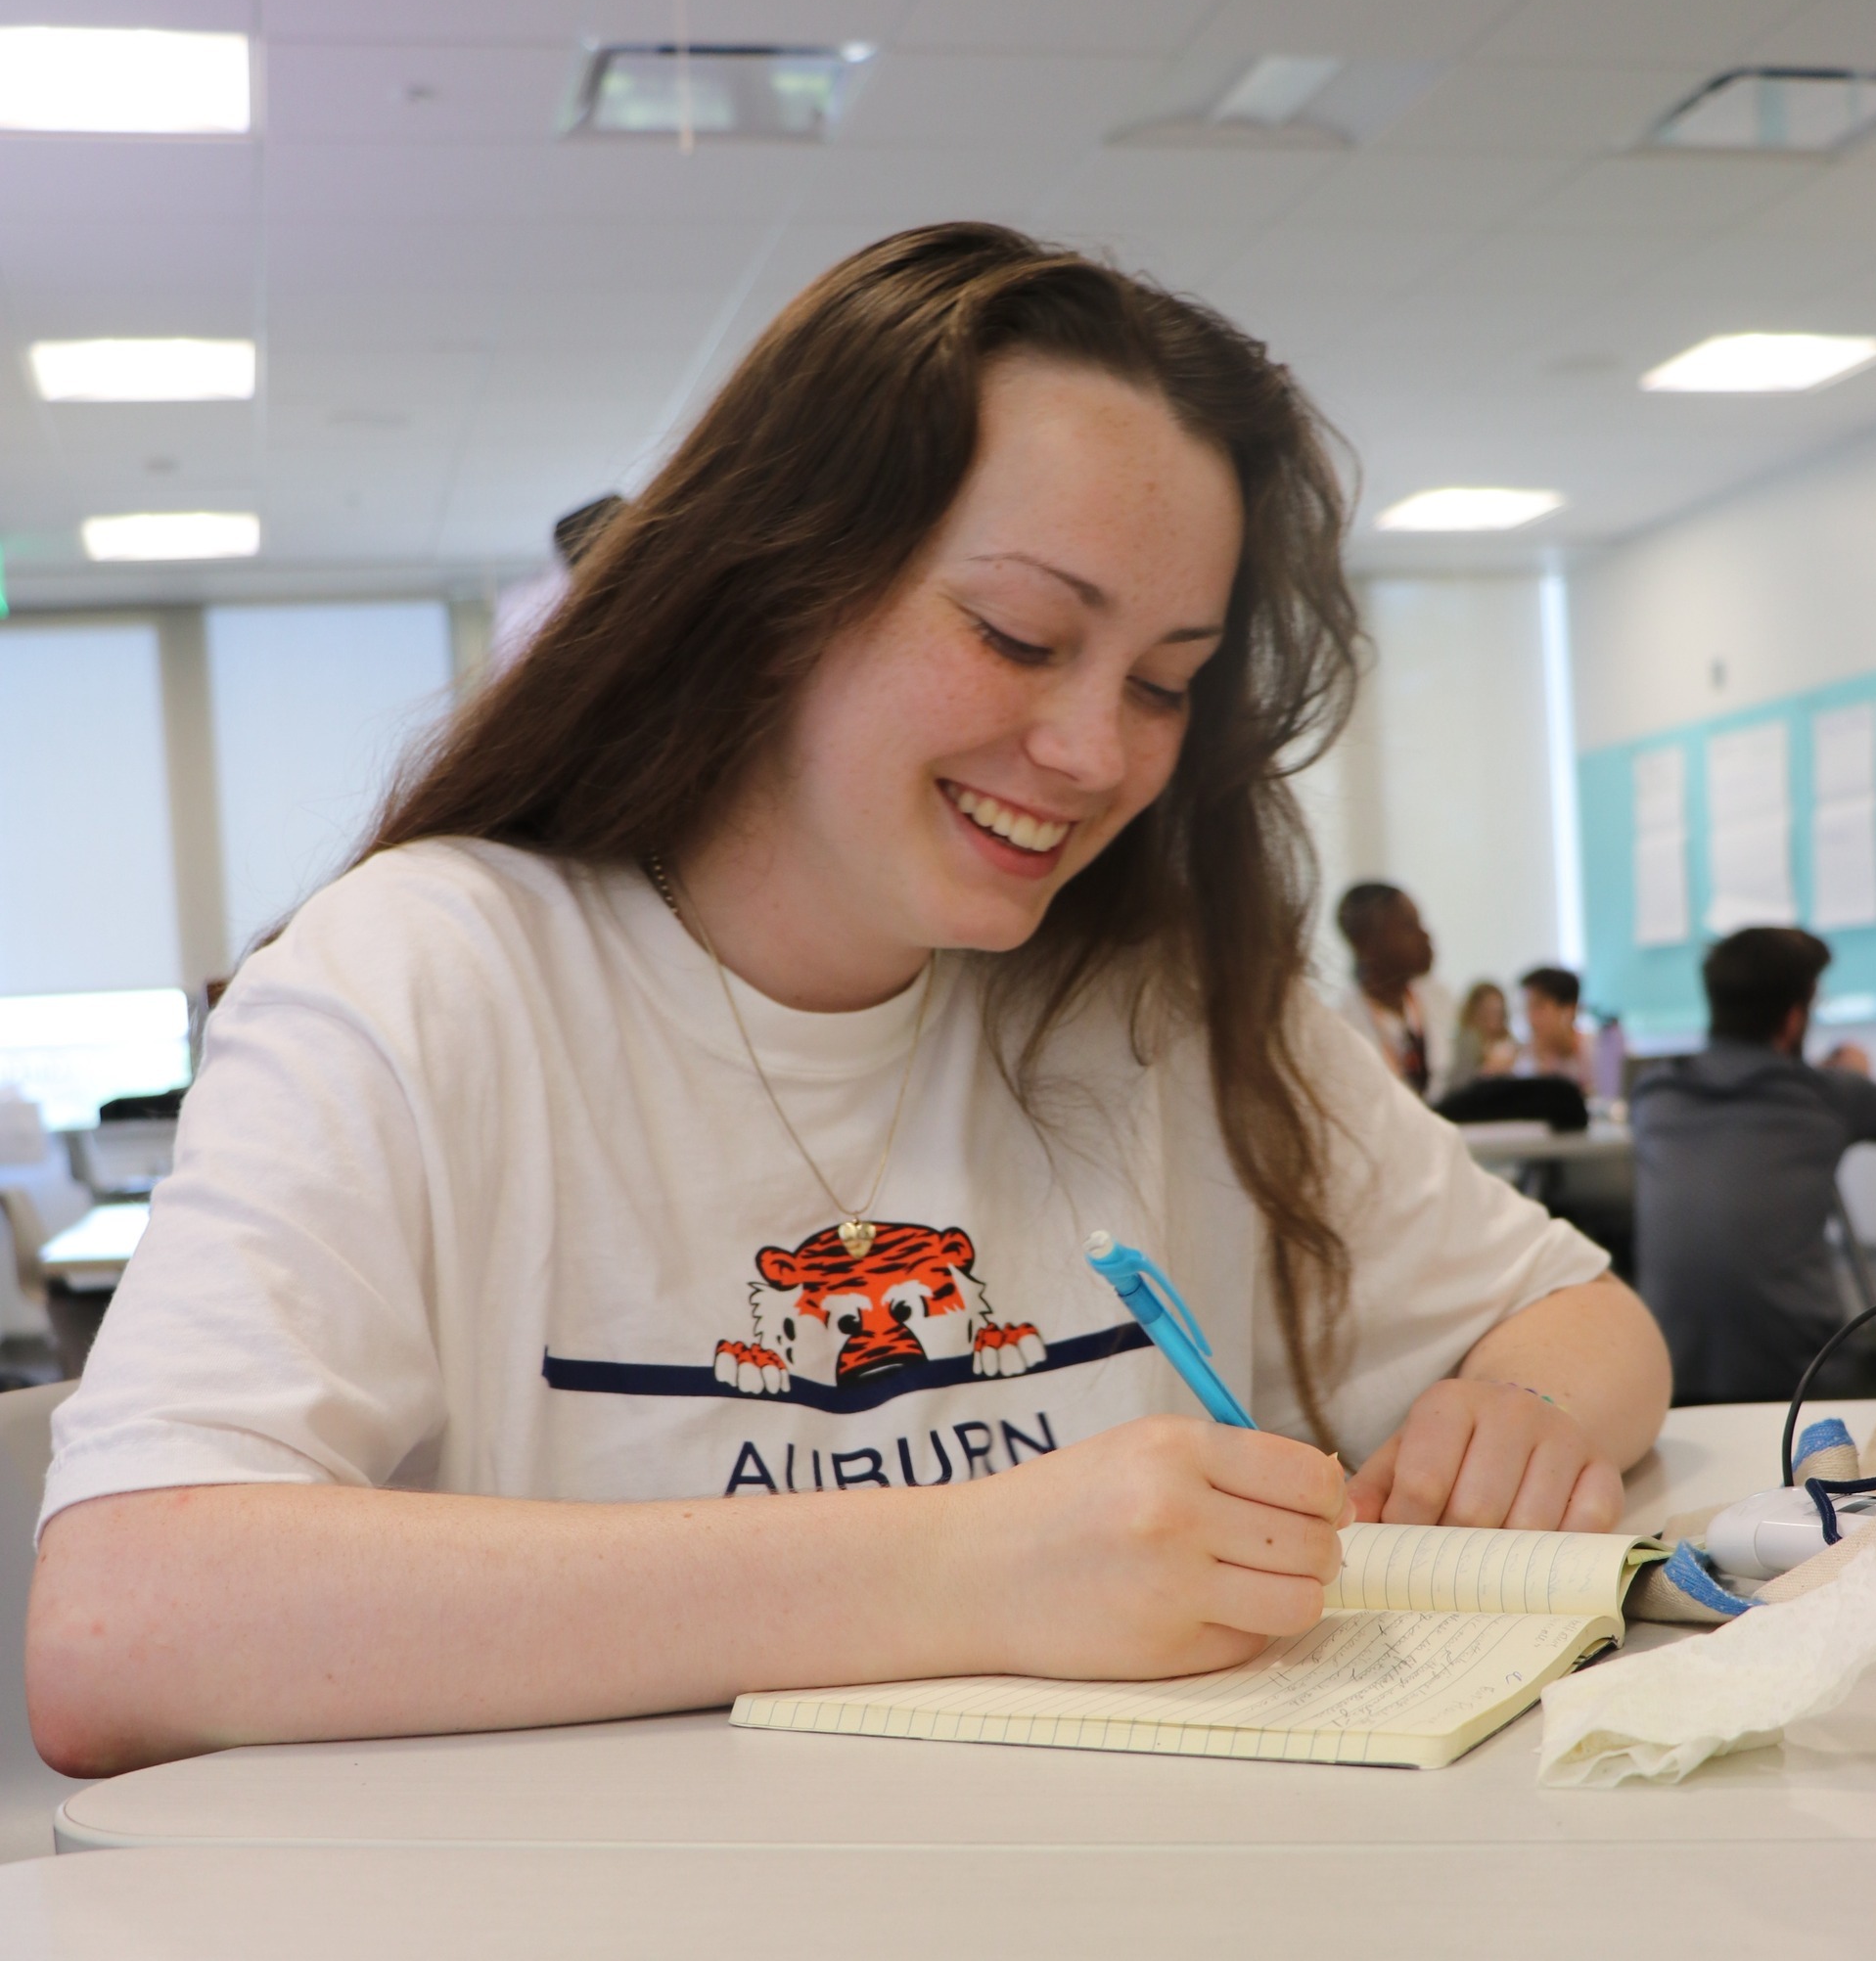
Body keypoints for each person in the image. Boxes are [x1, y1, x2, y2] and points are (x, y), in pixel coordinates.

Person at [27, 224, 1670, 1778]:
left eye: (1163, 682)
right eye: (1019, 635)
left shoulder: (1142, 991)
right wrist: (962, 1566)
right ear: (776, 586)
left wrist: (1513, 1413)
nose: (1096, 754)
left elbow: (1584, 1323)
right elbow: (119, 1626)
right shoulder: (429, 975)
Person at [1632, 926, 1876, 1405]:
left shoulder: (1654, 1094)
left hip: (1668, 1376)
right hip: (1802, 1381)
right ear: (1793, 1019)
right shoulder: (1827, 1094)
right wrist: (1853, 1076)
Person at [1332, 884, 1457, 1101]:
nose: (1425, 936)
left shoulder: (1441, 1000)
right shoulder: (1341, 1028)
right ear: (1365, 943)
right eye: (1409, 926)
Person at [1517, 966, 1595, 1095]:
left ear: (1569, 1009)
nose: (1530, 1018)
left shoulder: (1595, 1050)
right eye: (1527, 1007)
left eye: (1539, 1006)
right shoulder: (1525, 1059)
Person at [1445, 980, 1518, 1093]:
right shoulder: (1467, 1041)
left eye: (1498, 1012)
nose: (1493, 1019)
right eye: (1488, 1012)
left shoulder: (1511, 1042)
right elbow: (1459, 1085)